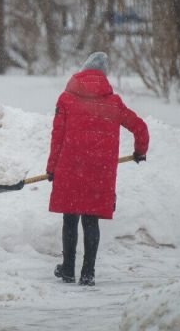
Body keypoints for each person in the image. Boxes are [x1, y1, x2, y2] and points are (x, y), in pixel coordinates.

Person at [46, 52, 149, 286]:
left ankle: (68, 270)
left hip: (70, 168)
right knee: (91, 221)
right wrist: (140, 151)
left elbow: (57, 137)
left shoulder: (66, 99)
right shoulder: (113, 103)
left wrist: (52, 168)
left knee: (70, 219)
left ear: (82, 72)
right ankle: (88, 273)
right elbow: (140, 127)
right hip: (99, 172)